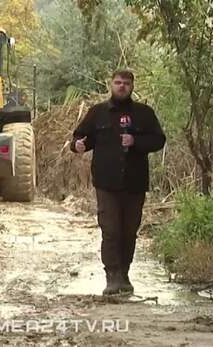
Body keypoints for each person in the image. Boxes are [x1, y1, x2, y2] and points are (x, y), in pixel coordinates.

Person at [70, 70, 166, 295]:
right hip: (106, 182)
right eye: (118, 82)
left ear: (132, 86)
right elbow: (79, 138)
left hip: (135, 182)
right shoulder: (98, 113)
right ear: (110, 85)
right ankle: (112, 276)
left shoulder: (144, 113)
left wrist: (136, 141)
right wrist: (78, 145)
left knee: (129, 230)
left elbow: (158, 140)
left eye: (126, 83)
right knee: (111, 229)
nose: (121, 86)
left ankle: (124, 274)